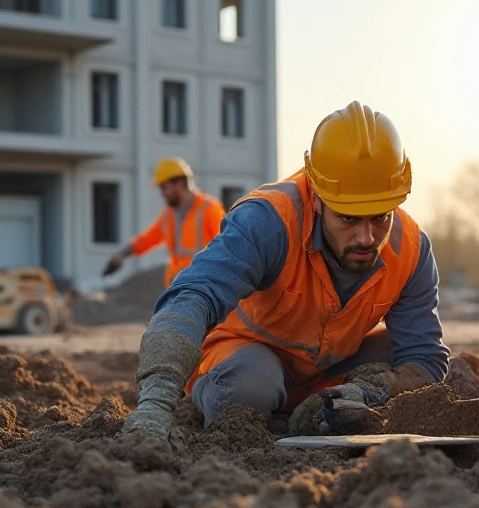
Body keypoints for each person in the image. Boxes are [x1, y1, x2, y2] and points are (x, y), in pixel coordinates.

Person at [119, 102, 449, 449]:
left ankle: (325, 407)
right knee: (249, 390)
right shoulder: (269, 221)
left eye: (381, 216)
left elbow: (424, 357)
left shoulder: (412, 249)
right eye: (349, 219)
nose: (367, 238)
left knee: (410, 362)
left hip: (331, 367)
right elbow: (191, 295)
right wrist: (154, 404)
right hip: (247, 357)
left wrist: (370, 391)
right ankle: (241, 397)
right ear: (318, 199)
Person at [103, 157, 226, 287]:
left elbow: (225, 246)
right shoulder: (169, 215)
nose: (162, 193)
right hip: (177, 286)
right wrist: (122, 253)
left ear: (179, 184)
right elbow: (147, 239)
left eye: (164, 187)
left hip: (202, 288)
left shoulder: (209, 209)